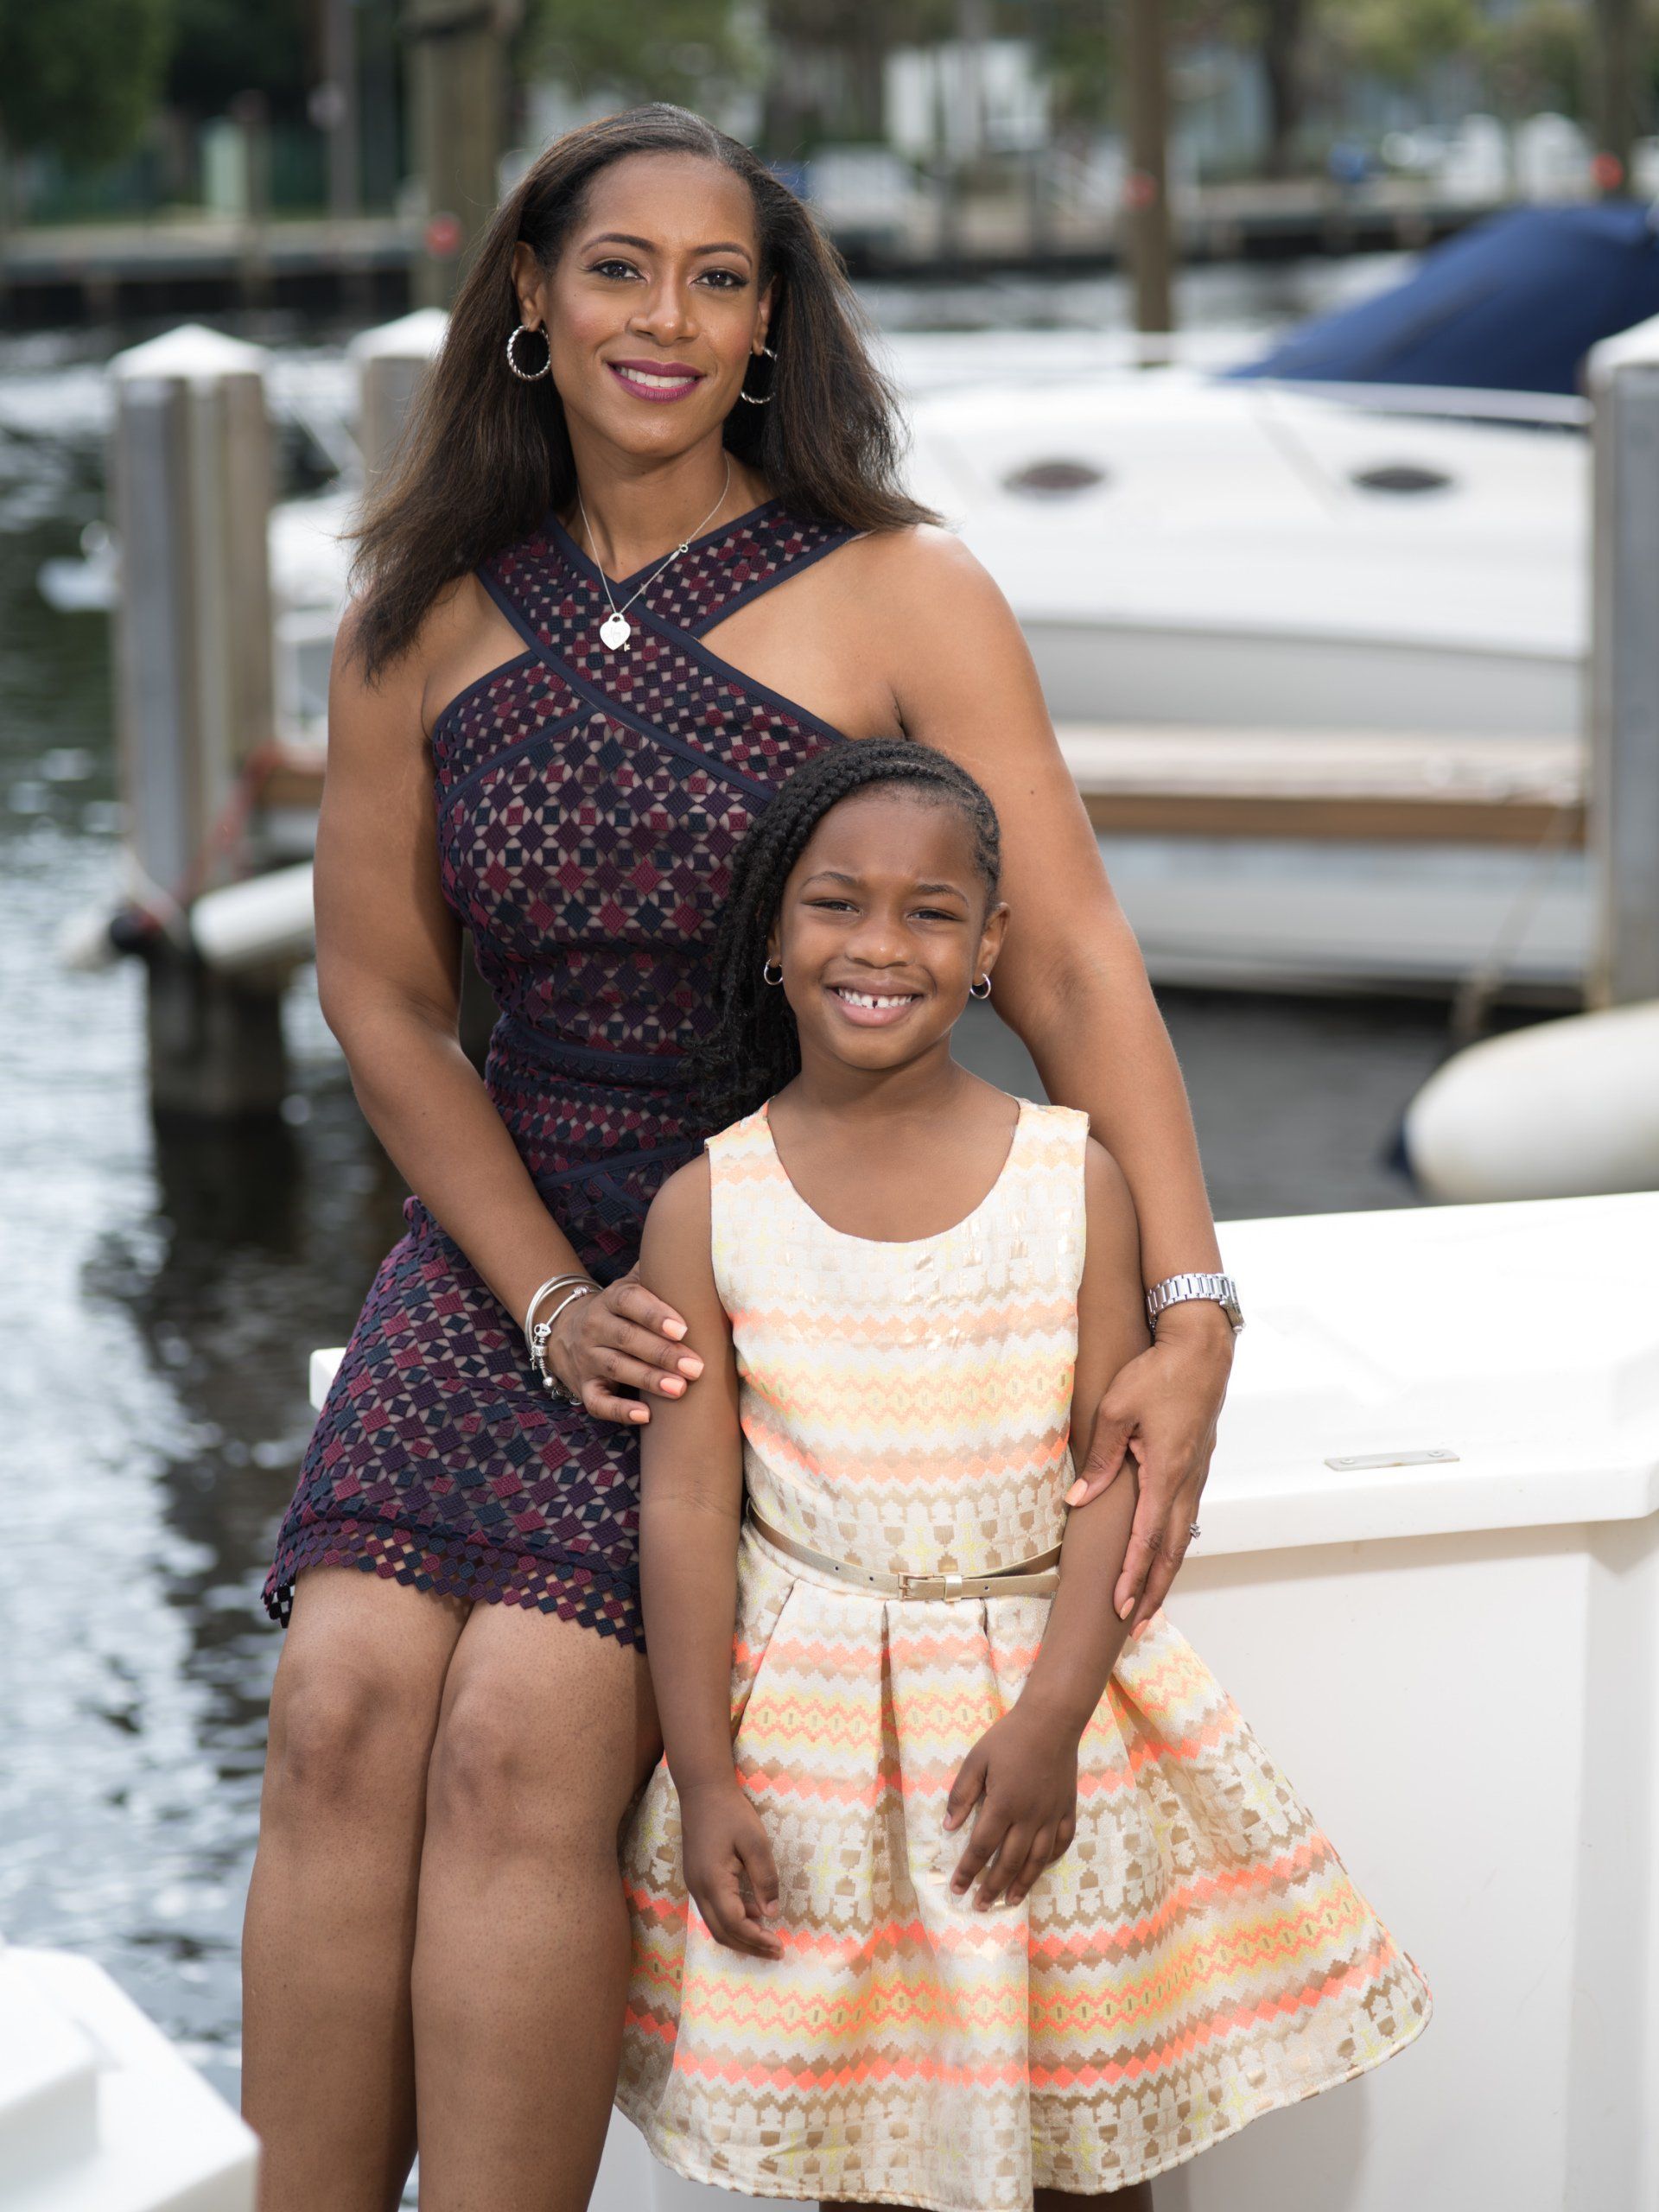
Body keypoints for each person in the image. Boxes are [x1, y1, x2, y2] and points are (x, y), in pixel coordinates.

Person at [244, 103, 1241, 2211]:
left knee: (516, 1735)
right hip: (506, 1243)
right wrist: (538, 1288)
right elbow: (382, 996)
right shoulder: (418, 608)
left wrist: (1192, 1301)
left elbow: (1068, 951)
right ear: (531, 295)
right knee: (336, 1704)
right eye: (621, 269)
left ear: (773, 320)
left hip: (767, 1249)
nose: (668, 318)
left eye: (720, 278)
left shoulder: (901, 583)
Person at [617, 741, 1433, 2211]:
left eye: (931, 912)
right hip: (817, 1752)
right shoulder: (707, 1206)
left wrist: (1055, 1714)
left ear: (990, 945)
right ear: (775, 936)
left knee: (1089, 2138)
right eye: (837, 904)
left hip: (1042, 1720)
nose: (881, 946)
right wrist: (705, 1769)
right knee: (863, 2140)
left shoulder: (1076, 1180)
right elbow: (683, 1504)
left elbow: (1109, 1466)